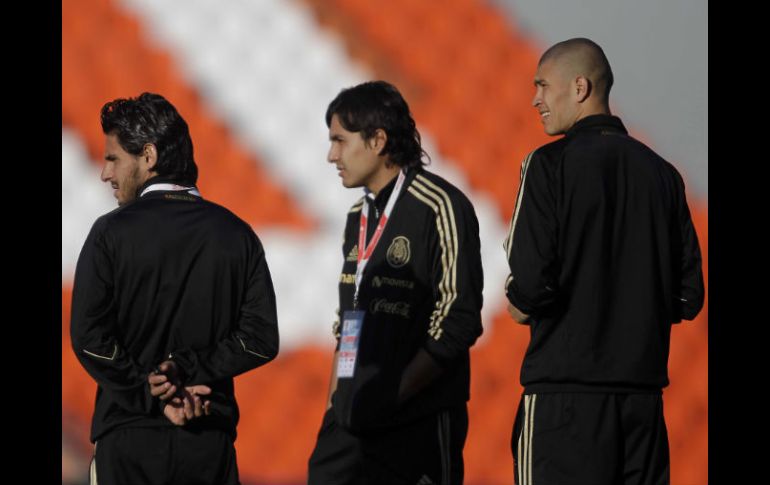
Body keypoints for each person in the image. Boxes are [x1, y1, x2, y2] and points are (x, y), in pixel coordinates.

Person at [503, 37, 705, 485]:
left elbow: (531, 284)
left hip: (564, 404)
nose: (535, 98)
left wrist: (520, 299)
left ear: (579, 87)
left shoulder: (545, 165)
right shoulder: (664, 175)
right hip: (643, 407)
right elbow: (689, 296)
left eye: (542, 85)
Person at [70, 92, 279, 485]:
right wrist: (188, 368)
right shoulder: (237, 236)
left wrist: (149, 393)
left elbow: (88, 337)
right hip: (207, 441)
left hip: (128, 442)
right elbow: (260, 339)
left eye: (113, 158)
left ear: (148, 156)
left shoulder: (109, 234)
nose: (105, 173)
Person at [307, 81, 484, 485]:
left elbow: (458, 320)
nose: (331, 155)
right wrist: (338, 403)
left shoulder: (440, 207)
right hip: (352, 422)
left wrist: (393, 394)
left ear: (377, 140)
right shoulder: (358, 217)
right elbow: (347, 322)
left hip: (416, 419)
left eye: (339, 140)